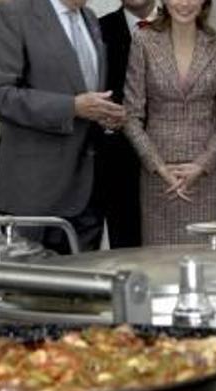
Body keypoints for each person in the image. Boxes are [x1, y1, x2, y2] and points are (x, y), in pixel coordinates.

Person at [0, 0, 126, 254]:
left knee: (83, 288)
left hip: (88, 192)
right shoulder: (12, 15)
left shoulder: (89, 18)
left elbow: (83, 89)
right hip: (34, 194)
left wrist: (103, 113)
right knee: (32, 290)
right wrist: (71, 107)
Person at [123, 0, 216, 245]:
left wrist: (202, 164)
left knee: (208, 267)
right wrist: (158, 166)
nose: (185, 3)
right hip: (159, 179)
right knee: (160, 266)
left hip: (206, 179)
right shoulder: (143, 40)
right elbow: (131, 116)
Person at [96, 0, 159, 249]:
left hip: (176, 161)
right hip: (119, 164)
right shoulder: (97, 29)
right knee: (127, 252)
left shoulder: (182, 22)